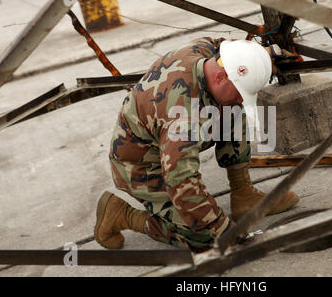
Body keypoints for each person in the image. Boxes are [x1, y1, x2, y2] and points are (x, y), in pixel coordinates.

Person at [94, 37, 299, 252]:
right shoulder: (183, 117)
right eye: (240, 93)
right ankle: (121, 215)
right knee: (203, 238)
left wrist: (260, 56)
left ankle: (243, 193)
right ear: (220, 77)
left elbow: (223, 44)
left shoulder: (207, 52)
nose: (241, 98)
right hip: (140, 167)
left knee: (234, 108)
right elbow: (181, 181)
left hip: (165, 144)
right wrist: (223, 228)